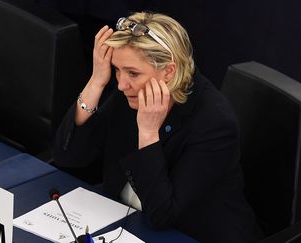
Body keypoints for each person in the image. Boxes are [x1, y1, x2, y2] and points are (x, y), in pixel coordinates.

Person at [54, 12, 263, 243]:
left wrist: (148, 133)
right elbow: (68, 157)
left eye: (133, 73)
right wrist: (96, 81)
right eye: (117, 69)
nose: (122, 84)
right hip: (126, 221)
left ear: (168, 71)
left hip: (192, 235)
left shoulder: (214, 124)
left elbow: (162, 215)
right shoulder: (130, 93)